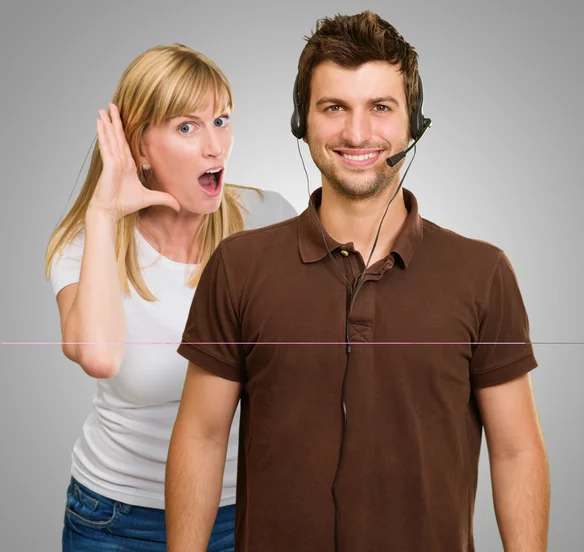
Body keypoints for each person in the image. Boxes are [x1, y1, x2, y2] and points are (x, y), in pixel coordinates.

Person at [166, 11, 551, 552]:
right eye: (334, 107)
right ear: (302, 122)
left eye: (381, 108)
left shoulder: (483, 273)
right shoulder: (238, 266)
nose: (357, 132)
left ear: (413, 123)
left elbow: (516, 451)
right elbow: (202, 437)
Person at [45, 43, 297, 552]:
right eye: (187, 127)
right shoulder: (84, 244)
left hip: (244, 509)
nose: (215, 147)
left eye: (221, 120)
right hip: (115, 521)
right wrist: (102, 215)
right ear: (139, 149)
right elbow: (97, 355)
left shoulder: (268, 220)